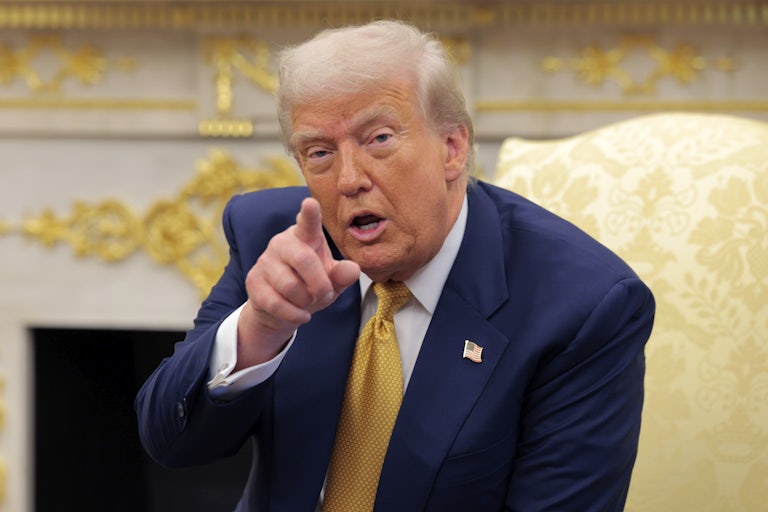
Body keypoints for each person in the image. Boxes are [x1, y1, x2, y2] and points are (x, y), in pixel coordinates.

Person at [135, 20, 655, 511]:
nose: (347, 179)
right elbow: (170, 441)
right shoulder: (276, 239)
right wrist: (258, 328)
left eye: (378, 139)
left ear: (452, 148)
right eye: (318, 152)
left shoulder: (582, 307)